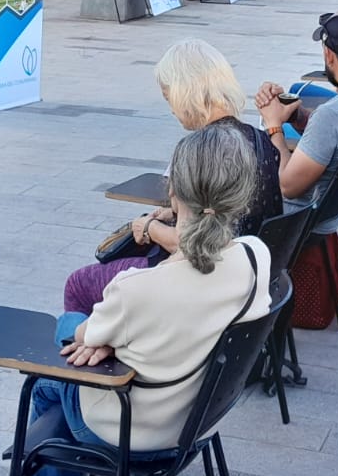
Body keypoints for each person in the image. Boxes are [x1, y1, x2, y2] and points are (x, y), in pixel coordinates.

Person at [12, 125, 273, 476]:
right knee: (88, 345)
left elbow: (83, 337)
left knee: (52, 366)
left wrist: (102, 340)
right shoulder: (254, 257)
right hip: (198, 421)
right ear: (242, 195)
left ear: (173, 196)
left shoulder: (136, 290)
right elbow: (200, 288)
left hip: (127, 428)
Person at [62, 40, 281, 314]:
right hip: (250, 274)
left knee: (79, 284)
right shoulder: (261, 140)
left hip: (203, 279)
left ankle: (97, 347)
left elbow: (193, 244)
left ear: (184, 92)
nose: (171, 109)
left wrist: (147, 228)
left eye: (168, 98)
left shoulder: (196, 151)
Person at [254, 13, 338, 235]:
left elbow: (288, 187)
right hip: (326, 218)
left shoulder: (331, 116)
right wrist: (296, 115)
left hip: (289, 225)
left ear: (328, 55)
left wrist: (274, 126)